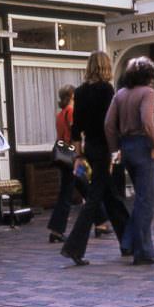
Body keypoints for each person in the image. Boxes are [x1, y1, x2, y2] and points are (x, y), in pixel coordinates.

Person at [60, 52, 130, 266]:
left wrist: (79, 154)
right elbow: (110, 123)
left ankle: (130, 242)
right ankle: (73, 247)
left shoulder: (80, 92)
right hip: (105, 148)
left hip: (89, 147)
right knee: (95, 199)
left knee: (112, 198)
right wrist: (113, 152)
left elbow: (76, 127)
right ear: (105, 67)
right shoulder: (106, 90)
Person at [105, 56, 154, 265]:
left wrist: (115, 149)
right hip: (142, 146)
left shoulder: (120, 94)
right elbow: (148, 121)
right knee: (147, 201)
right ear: (148, 75)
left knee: (141, 199)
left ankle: (130, 241)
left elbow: (109, 125)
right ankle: (143, 251)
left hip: (125, 147)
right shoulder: (148, 92)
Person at [47, 84, 112, 245]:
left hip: (62, 153)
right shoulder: (70, 112)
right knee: (68, 192)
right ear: (71, 97)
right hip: (71, 155)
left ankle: (100, 222)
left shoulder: (59, 114)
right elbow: (75, 131)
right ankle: (57, 230)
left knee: (85, 187)